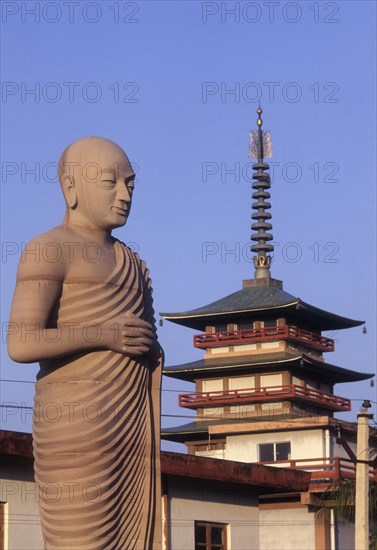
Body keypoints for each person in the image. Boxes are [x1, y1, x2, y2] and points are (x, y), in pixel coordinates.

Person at [8, 136, 163, 549]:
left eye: (131, 183)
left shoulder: (132, 260)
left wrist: (148, 347)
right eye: (111, 182)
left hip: (131, 429)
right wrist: (103, 334)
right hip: (75, 431)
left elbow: (142, 344)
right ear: (71, 188)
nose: (125, 194)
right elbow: (21, 343)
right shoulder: (49, 248)